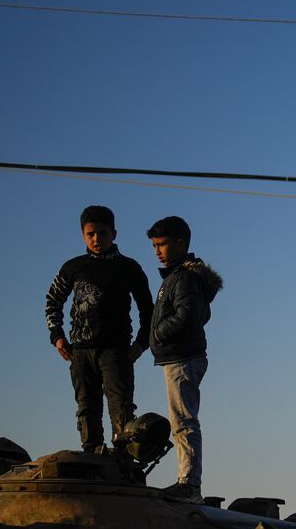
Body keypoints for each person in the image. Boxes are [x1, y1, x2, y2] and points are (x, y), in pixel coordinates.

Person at [44, 205, 154, 453]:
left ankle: (123, 462)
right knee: (86, 406)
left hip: (116, 351)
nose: (96, 239)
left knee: (121, 407)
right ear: (83, 234)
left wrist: (141, 343)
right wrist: (57, 336)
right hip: (80, 351)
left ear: (113, 234)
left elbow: (148, 309)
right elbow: (52, 300)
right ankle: (92, 455)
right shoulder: (73, 267)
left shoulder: (129, 268)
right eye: (90, 234)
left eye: (102, 233)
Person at [145, 216, 222, 502]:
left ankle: (189, 484)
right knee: (182, 420)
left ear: (180, 243)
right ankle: (187, 481)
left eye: (162, 244)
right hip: (181, 356)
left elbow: (186, 315)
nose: (157, 251)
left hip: (183, 357)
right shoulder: (178, 277)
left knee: (183, 422)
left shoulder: (183, 278)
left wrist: (158, 333)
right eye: (154, 245)